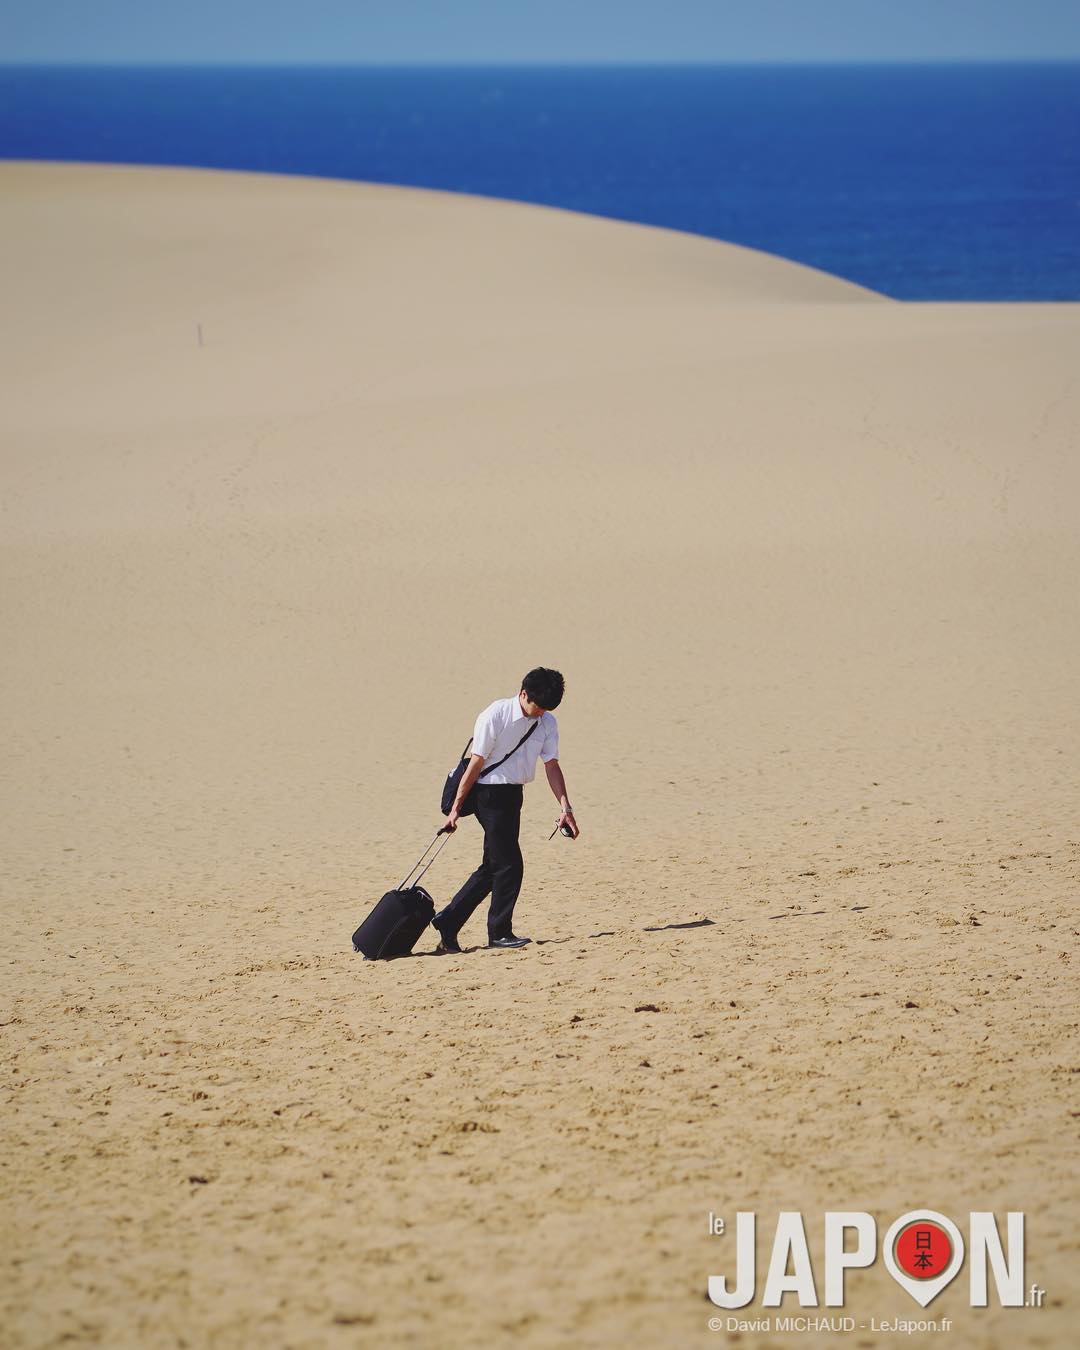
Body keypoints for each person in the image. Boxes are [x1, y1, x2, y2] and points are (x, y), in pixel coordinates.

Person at [432, 667, 579, 952]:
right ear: (523, 694)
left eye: (546, 710)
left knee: (494, 866)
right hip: (489, 794)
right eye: (537, 707)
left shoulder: (547, 722)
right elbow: (475, 764)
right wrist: (455, 810)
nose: (540, 714)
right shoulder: (495, 715)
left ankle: (449, 921)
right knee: (511, 865)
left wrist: (566, 808)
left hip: (513, 795)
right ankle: (499, 932)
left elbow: (551, 765)